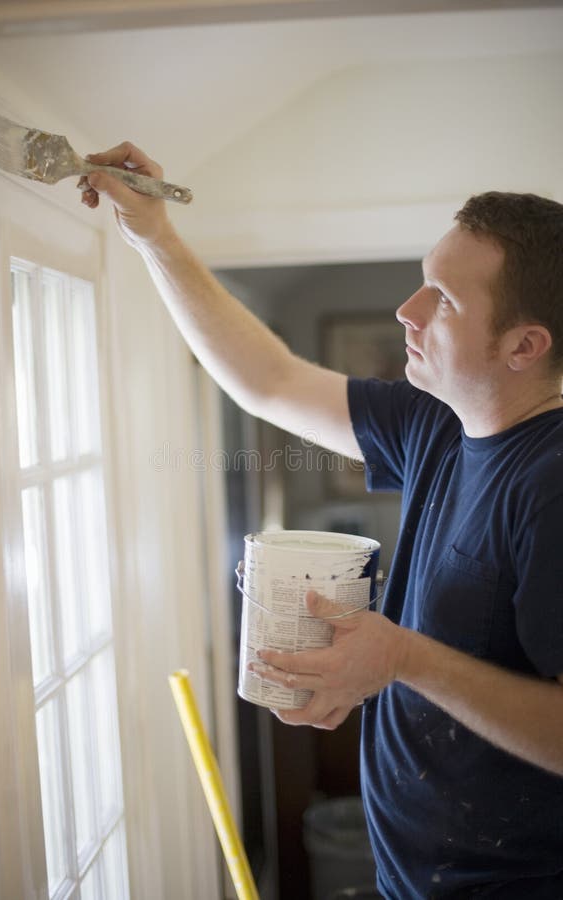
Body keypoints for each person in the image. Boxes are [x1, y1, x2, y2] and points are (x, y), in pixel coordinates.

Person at [80, 145, 563, 899]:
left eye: (443, 298)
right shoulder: (439, 424)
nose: (408, 309)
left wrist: (403, 658)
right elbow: (268, 381)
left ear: (524, 346)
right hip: (415, 874)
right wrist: (153, 234)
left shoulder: (552, 483)